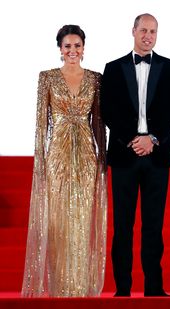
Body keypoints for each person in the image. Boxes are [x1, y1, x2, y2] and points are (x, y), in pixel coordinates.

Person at [100, 13, 170, 297]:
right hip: (125, 155)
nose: (148, 36)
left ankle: (154, 288)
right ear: (133, 31)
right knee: (122, 226)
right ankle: (122, 289)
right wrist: (134, 140)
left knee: (153, 226)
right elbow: (108, 110)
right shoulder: (113, 68)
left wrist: (154, 139)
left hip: (157, 157)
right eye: (144, 30)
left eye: (153, 31)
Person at [21, 25, 107, 297]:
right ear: (60, 48)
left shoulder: (96, 79)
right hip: (57, 153)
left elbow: (99, 123)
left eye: (77, 45)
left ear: (84, 48)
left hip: (85, 155)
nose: (73, 51)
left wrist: (102, 158)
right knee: (58, 219)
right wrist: (41, 161)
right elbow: (40, 124)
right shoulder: (46, 78)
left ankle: (79, 285)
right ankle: (60, 286)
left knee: (81, 218)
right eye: (68, 46)